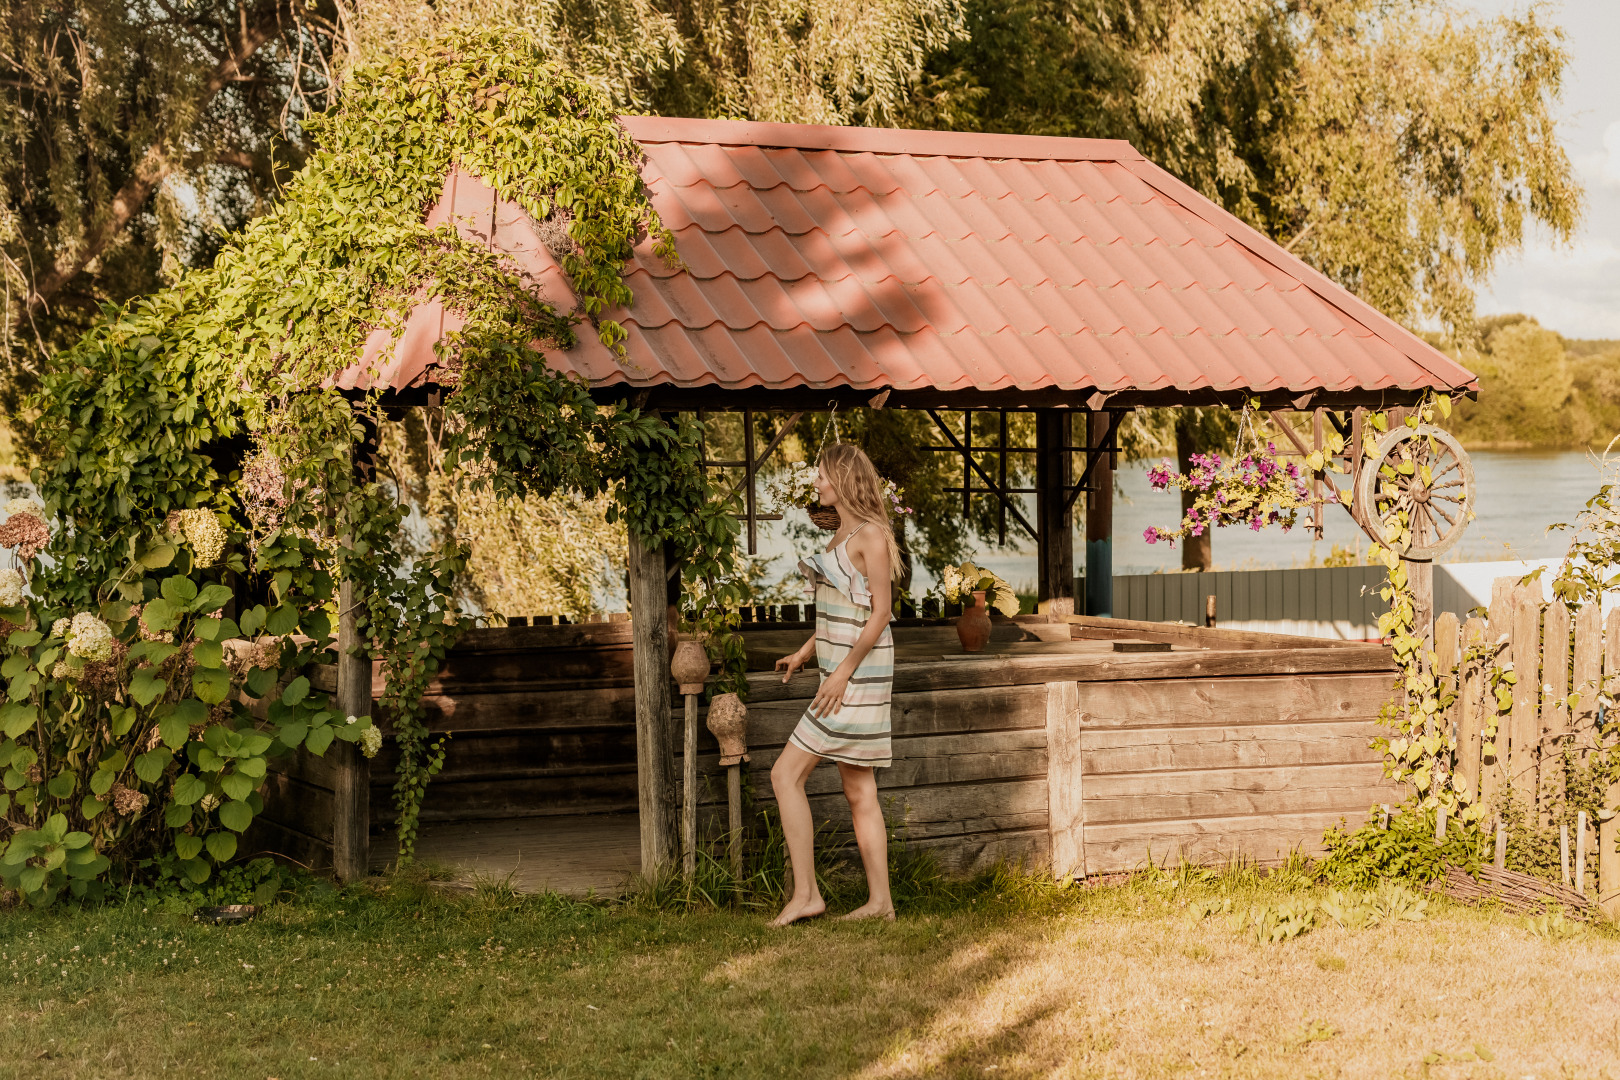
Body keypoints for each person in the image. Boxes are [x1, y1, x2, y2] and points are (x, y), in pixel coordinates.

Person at [771, 443, 902, 925]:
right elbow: (844, 612)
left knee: (785, 774)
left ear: (843, 479)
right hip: (839, 671)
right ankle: (880, 903)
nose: (816, 483)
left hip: (857, 675)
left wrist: (842, 673)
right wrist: (806, 653)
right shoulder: (838, 538)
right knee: (858, 788)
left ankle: (807, 895)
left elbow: (881, 614)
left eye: (822, 475)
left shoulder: (872, 536)